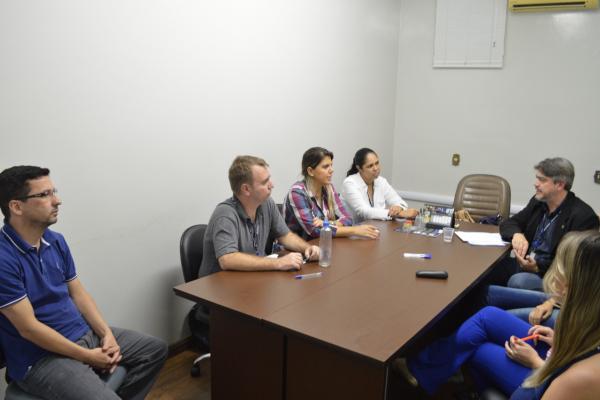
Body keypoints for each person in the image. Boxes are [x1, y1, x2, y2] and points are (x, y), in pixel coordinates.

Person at [0, 166, 167, 400]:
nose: (57, 200)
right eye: (44, 194)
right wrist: (87, 356)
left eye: (54, 191)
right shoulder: (4, 258)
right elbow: (29, 329)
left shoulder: (55, 241)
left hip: (82, 333)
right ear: (16, 206)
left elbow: (79, 294)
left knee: (154, 351)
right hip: (41, 358)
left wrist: (106, 334)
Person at [396, 230, 600, 399]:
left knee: (476, 348)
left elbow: (560, 381)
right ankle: (424, 369)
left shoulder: (581, 378)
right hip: (557, 355)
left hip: (547, 373)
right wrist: (556, 340)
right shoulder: (588, 315)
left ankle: (429, 372)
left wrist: (536, 363)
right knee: (488, 317)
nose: (556, 277)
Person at [199, 155, 320, 277]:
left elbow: (285, 236)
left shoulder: (266, 203)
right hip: (220, 284)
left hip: (251, 278)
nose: (271, 185)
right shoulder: (225, 214)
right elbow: (227, 259)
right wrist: (278, 263)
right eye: (265, 182)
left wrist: (307, 248)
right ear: (246, 189)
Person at [499, 157, 598, 290]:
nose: (536, 184)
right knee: (487, 271)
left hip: (554, 278)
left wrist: (538, 267)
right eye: (537, 178)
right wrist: (517, 234)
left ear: (560, 185)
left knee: (519, 282)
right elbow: (510, 223)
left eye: (542, 180)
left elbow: (576, 265)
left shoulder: (583, 216)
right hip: (526, 265)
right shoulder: (538, 203)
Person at [284, 147, 380, 240]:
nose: (331, 170)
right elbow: (315, 231)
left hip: (322, 243)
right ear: (310, 171)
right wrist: (354, 230)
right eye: (326, 167)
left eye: (331, 165)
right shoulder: (297, 192)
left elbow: (347, 218)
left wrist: (328, 223)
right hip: (296, 248)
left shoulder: (328, 187)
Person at [341, 148, 419, 223]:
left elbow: (400, 202)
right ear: (359, 168)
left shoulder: (381, 181)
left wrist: (399, 208)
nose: (375, 168)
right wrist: (399, 214)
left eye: (377, 163)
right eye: (370, 166)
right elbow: (364, 211)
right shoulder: (350, 183)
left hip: (376, 226)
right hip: (354, 229)